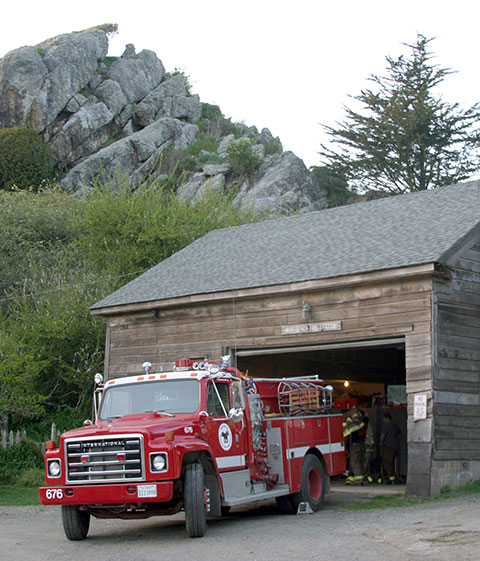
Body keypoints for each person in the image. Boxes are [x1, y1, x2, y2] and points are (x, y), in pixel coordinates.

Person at [343, 405, 368, 485]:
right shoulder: (363, 423)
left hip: (355, 445)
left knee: (355, 462)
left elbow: (346, 433)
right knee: (360, 461)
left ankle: (358, 480)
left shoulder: (354, 425)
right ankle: (362, 479)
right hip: (361, 444)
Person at [380, 412, 400, 484]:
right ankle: (392, 477)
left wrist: (381, 442)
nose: (383, 421)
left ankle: (391, 477)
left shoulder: (387, 425)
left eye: (383, 419)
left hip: (389, 446)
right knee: (391, 462)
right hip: (395, 446)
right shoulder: (395, 424)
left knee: (386, 462)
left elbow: (383, 435)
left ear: (387, 418)